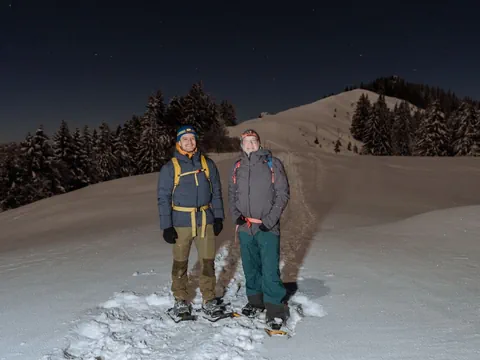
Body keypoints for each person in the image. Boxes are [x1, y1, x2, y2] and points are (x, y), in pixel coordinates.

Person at [157, 125, 225, 318]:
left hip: (205, 220)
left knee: (207, 262)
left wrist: (218, 216)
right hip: (181, 222)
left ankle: (209, 299)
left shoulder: (207, 164)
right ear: (178, 143)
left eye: (192, 139)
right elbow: (163, 198)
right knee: (180, 262)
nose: (189, 142)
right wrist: (166, 226)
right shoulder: (170, 167)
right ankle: (180, 299)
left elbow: (216, 193)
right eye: (185, 139)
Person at [228, 128, 290, 329]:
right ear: (241, 144)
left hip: (267, 227)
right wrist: (236, 215)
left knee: (269, 268)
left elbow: (282, 194)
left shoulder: (272, 164)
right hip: (246, 227)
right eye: (246, 141)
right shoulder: (237, 166)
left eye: (253, 141)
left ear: (259, 143)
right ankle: (255, 301)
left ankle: (275, 309)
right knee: (250, 266)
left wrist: (270, 220)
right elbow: (232, 193)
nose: (250, 144)